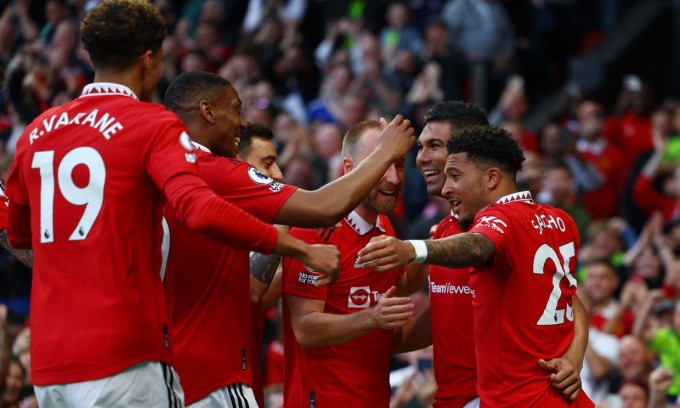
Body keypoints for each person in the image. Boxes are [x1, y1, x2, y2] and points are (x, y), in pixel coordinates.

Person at [3, 1, 339, 407]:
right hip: (125, 357)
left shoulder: (37, 132)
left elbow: (23, 238)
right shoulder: (152, 124)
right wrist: (299, 247)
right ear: (149, 60)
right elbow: (199, 208)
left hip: (51, 366)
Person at [162, 72, 415, 407]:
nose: (241, 122)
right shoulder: (214, 170)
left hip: (177, 366)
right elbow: (320, 211)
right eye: (237, 110)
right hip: (209, 375)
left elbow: (254, 286)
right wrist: (384, 152)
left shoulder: (168, 168)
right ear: (208, 112)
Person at [357, 126, 594, 407]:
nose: (446, 187)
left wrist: (413, 249)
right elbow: (570, 299)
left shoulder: (501, 221)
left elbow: (481, 244)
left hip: (516, 399)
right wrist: (574, 356)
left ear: (492, 177)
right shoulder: (561, 220)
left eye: (454, 175)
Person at [281, 120, 416, 407]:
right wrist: (372, 318)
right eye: (380, 163)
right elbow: (304, 329)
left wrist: (435, 253)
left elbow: (387, 319)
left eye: (399, 165)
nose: (393, 177)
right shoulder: (313, 231)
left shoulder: (387, 227)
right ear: (349, 167)